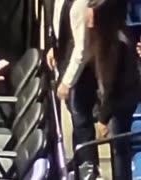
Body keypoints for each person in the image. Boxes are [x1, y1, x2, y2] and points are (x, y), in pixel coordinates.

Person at [86, 1, 141, 179]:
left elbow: (111, 84)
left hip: (121, 103)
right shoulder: (116, 35)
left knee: (120, 150)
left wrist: (103, 118)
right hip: (124, 99)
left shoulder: (115, 42)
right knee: (120, 149)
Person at [47, 0, 99, 174]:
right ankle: (78, 164)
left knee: (81, 121)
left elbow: (82, 49)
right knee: (75, 118)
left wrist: (67, 82)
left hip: (80, 72)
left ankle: (89, 169)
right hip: (64, 62)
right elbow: (60, 29)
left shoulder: (79, 4)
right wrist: (54, 48)